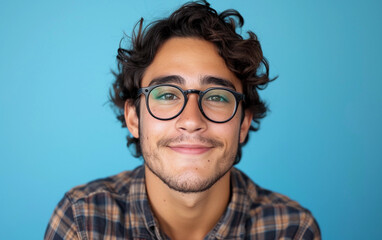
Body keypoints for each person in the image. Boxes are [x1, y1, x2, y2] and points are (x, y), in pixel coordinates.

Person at [45, 1, 321, 239]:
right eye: (166, 95)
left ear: (244, 124)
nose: (191, 120)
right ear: (133, 119)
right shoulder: (82, 223)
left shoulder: (292, 230)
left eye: (217, 97)